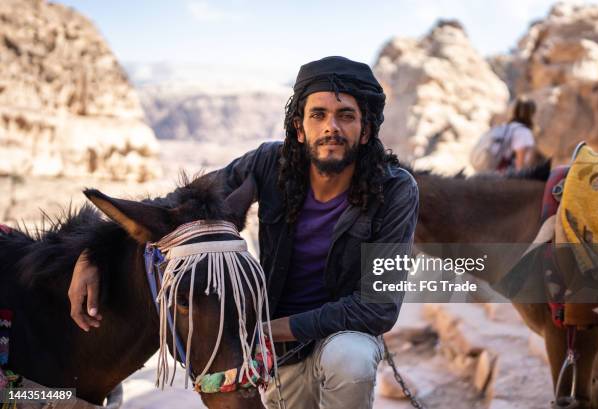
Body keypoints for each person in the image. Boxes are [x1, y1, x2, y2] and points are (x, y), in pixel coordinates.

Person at [68, 56, 419, 409]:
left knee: (351, 358)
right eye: (318, 114)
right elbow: (172, 206)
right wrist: (91, 253)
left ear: (366, 129)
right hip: (279, 356)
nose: (332, 127)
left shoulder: (395, 190)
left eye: (346, 115)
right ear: (299, 127)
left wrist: (265, 330)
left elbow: (379, 308)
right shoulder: (269, 163)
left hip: (332, 338)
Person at [470, 97, 538, 172]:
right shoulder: (524, 132)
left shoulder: (504, 126)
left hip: (487, 165)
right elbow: (520, 163)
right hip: (500, 171)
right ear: (531, 114)